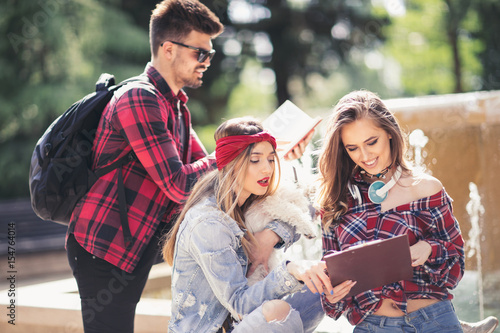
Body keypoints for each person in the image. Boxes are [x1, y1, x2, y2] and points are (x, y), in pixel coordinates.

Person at [65, 1, 224, 332]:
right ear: (168, 49)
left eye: (210, 54)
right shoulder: (141, 98)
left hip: (135, 244)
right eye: (201, 53)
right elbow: (180, 184)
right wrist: (233, 151)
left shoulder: (176, 106)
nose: (207, 63)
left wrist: (263, 151)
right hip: (103, 248)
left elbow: (208, 173)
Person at [163, 117, 357, 333]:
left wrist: (272, 234)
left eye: (271, 159)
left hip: (241, 325)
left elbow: (308, 208)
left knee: (328, 281)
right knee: (278, 308)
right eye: (255, 160)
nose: (267, 169)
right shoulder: (209, 223)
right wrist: (291, 270)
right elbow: (240, 306)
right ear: (232, 162)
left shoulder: (250, 197)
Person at [316, 90, 466, 332]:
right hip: (374, 325)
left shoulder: (426, 188)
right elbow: (330, 279)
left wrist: (428, 248)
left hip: (434, 319)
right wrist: (332, 294)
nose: (364, 156)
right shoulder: (336, 201)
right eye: (352, 148)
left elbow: (456, 262)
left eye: (371, 142)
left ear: (389, 133)